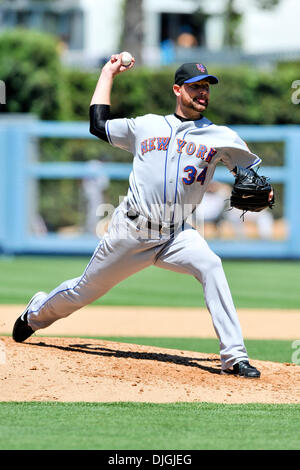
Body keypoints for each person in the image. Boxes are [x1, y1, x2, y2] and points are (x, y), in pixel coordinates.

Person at [13, 56, 262, 378]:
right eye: (195, 87)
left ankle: (234, 357)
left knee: (211, 265)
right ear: (177, 90)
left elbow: (251, 172)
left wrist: (257, 186)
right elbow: (98, 124)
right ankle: (35, 314)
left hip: (176, 234)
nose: (202, 92)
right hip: (131, 231)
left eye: (206, 87)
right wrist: (107, 73)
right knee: (83, 291)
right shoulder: (146, 125)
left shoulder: (221, 136)